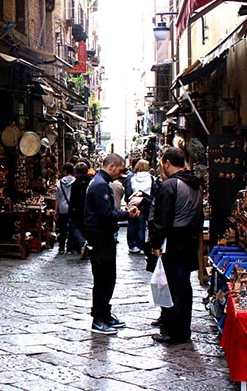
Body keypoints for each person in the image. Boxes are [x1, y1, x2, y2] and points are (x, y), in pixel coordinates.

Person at [149, 147, 204, 344]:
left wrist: (156, 243)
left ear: (167, 162)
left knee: (172, 286)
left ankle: (174, 331)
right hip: (189, 240)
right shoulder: (195, 183)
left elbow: (162, 218)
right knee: (184, 286)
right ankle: (183, 329)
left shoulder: (170, 185)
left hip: (173, 240)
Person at [84, 153, 140, 335]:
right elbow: (106, 215)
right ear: (112, 166)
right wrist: (127, 214)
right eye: (121, 169)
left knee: (108, 278)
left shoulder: (101, 183)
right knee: (103, 278)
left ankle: (105, 314)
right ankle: (98, 319)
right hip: (100, 239)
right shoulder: (100, 185)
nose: (122, 173)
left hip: (102, 238)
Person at [125, 159, 154, 254]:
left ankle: (132, 245)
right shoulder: (150, 178)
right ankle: (141, 246)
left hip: (133, 203)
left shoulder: (132, 178)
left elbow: (128, 191)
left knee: (132, 225)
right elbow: (153, 193)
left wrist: (129, 201)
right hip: (144, 204)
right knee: (142, 226)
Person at [68, 160, 92, 257]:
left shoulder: (75, 183)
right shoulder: (91, 182)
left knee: (75, 227)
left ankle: (82, 243)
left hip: (77, 209)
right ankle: (87, 244)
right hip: (88, 209)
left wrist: (71, 211)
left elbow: (72, 199)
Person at [55, 163, 76, 254]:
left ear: (65, 171)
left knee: (62, 228)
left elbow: (57, 198)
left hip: (62, 208)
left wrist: (56, 210)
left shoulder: (59, 183)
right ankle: (70, 248)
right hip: (72, 208)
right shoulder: (75, 181)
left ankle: (61, 247)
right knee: (71, 228)